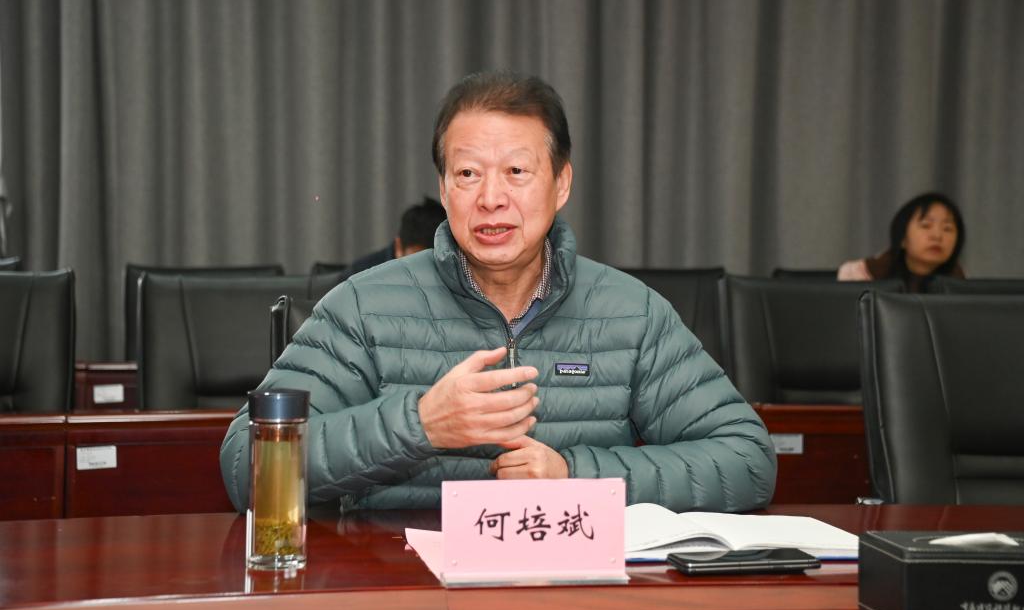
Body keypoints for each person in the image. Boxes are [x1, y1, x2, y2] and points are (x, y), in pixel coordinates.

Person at [221, 71, 776, 512]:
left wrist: (576, 476)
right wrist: (418, 425)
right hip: (408, 586)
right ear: (444, 188)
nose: (491, 198)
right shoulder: (363, 307)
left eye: (516, 171)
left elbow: (747, 459)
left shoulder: (631, 313)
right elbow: (249, 464)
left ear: (561, 183)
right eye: (468, 174)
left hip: (571, 592)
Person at [838, 192, 966, 292]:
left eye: (947, 228)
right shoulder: (859, 276)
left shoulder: (960, 284)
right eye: (926, 225)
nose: (937, 236)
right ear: (902, 237)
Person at [342, 197, 447, 277]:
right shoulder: (360, 277)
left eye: (431, 263)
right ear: (398, 247)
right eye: (415, 262)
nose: (422, 272)